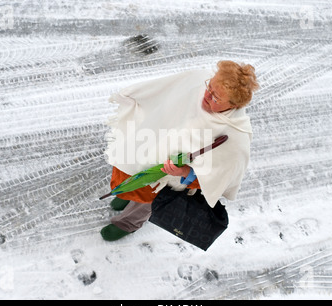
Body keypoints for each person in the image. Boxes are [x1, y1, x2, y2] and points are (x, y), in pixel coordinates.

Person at [101, 60, 259, 241]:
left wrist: (185, 171)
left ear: (233, 105)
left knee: (145, 203)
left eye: (216, 98)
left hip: (166, 178)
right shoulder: (199, 80)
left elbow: (218, 177)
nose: (207, 96)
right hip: (150, 146)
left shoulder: (235, 137)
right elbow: (164, 91)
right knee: (130, 172)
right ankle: (126, 193)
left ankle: (127, 224)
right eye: (210, 87)